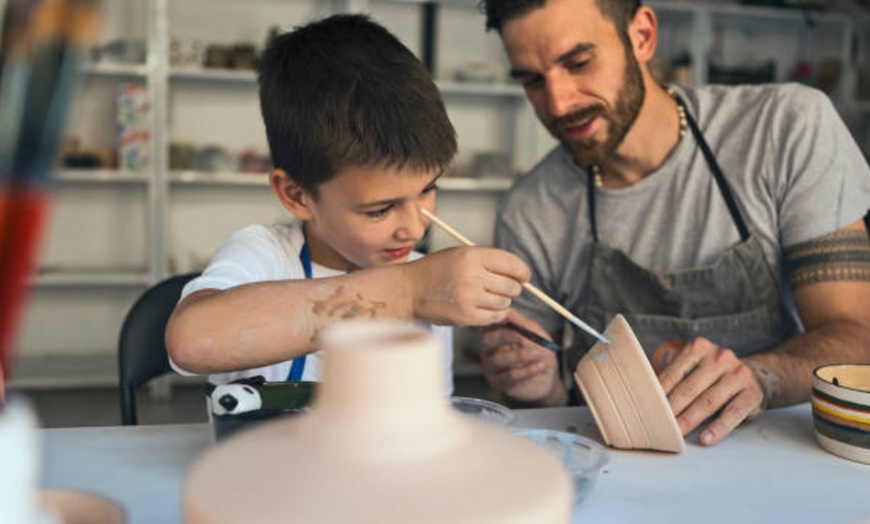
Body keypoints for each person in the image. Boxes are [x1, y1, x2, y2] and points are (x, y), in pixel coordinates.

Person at [477, 0, 870, 445]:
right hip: (622, 474)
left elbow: (857, 337)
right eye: (532, 80)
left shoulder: (784, 129)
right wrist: (539, 388)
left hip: (782, 457)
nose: (558, 102)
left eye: (579, 63)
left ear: (642, 35)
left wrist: (763, 375)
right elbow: (542, 418)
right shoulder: (530, 209)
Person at [165, 14, 530, 393]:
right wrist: (408, 292)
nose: (416, 227)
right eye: (380, 210)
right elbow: (192, 340)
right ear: (296, 194)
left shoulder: (430, 280)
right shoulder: (266, 256)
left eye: (427, 190)